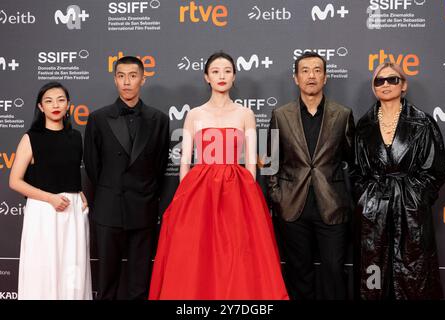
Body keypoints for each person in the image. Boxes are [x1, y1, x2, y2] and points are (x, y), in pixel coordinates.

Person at [149, 51, 288, 300]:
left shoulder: (245, 114)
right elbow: (185, 160)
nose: (221, 76)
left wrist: (251, 196)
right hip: (199, 189)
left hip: (237, 189)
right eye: (215, 71)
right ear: (206, 77)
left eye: (226, 71)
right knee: (197, 251)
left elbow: (251, 160)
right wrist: (184, 196)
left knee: (236, 251)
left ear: (234, 76)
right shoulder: (195, 114)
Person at [353, 62, 445, 300]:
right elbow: (356, 171)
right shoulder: (363, 126)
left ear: (403, 85)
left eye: (392, 79)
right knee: (373, 274)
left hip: (411, 213)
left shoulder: (423, 123)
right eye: (379, 80)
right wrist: (367, 199)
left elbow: (434, 171)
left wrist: (414, 198)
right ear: (374, 88)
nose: (385, 84)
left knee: (414, 275)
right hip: (374, 213)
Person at [266, 51, 355, 300]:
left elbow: (354, 161)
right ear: (296, 78)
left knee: (334, 272)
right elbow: (270, 162)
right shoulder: (280, 115)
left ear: (325, 77)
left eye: (317, 70)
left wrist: (348, 198)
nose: (311, 76)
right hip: (292, 206)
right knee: (298, 273)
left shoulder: (343, 114)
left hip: (333, 205)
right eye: (304, 70)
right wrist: (277, 195)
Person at [84, 56, 170, 300]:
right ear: (115, 80)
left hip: (143, 207)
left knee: (140, 280)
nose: (127, 82)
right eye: (121, 76)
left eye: (133, 76)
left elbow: (161, 164)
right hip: (109, 207)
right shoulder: (98, 119)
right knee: (106, 279)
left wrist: (147, 195)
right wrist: (111, 190)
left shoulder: (159, 120)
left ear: (143, 78)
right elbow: (92, 165)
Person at [9, 82, 92, 300]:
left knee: (72, 269)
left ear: (68, 105)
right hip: (44, 211)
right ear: (40, 106)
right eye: (48, 100)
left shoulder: (76, 137)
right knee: (43, 268)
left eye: (60, 100)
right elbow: (15, 181)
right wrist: (50, 198)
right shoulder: (31, 138)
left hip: (72, 212)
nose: (55, 105)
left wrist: (78, 192)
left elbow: (67, 172)